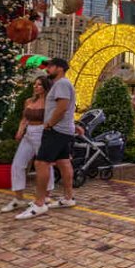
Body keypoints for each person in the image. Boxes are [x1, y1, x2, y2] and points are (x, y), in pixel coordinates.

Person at [16, 58, 78, 220]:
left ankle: (39, 203)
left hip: (56, 130)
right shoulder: (60, 84)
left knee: (41, 163)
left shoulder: (62, 84)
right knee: (63, 162)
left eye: (50, 66)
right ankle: (68, 198)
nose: (47, 69)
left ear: (61, 68)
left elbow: (62, 107)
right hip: (63, 130)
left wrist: (49, 124)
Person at [1, 77, 55, 213]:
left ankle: (47, 196)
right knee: (17, 164)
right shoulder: (29, 101)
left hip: (42, 132)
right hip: (28, 133)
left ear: (45, 87)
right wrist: (20, 131)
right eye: (35, 84)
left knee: (44, 165)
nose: (35, 87)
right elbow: (24, 118)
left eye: (39, 85)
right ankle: (19, 198)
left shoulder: (50, 102)